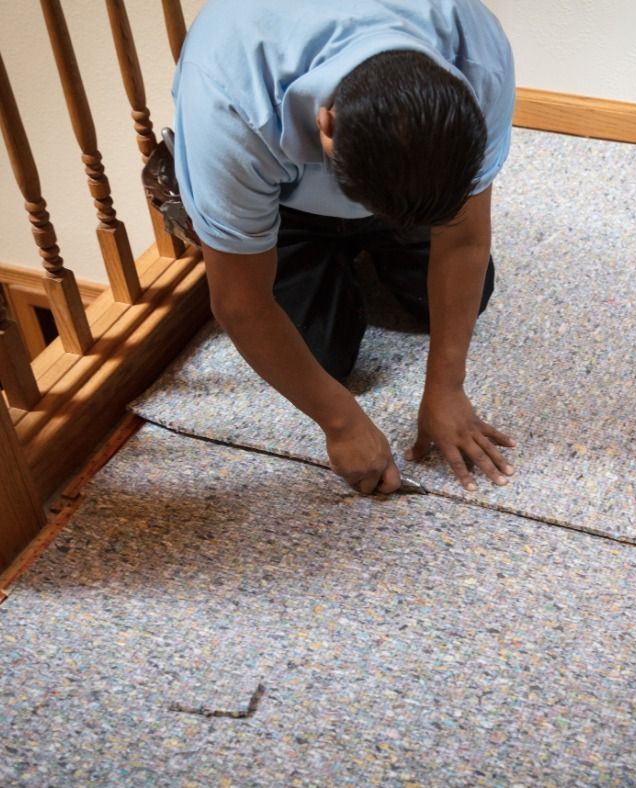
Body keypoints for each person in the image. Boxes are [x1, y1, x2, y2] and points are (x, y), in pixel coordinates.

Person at [172, 0, 517, 495]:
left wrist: (447, 386)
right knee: (320, 356)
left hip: (391, 174)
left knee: (465, 296)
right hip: (284, 202)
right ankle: (220, 214)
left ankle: (363, 246)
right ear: (327, 126)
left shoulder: (479, 56)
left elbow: (463, 236)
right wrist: (341, 422)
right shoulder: (230, 104)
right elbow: (239, 303)